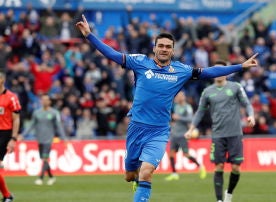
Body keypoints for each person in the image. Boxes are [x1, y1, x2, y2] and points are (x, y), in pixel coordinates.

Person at [75, 15, 258, 202]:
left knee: (146, 172)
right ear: (154, 48)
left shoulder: (181, 71)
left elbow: (209, 72)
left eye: (168, 47)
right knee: (130, 175)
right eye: (161, 46)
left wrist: (241, 66)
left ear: (173, 51)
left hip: (159, 131)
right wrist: (89, 35)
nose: (164, 49)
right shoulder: (139, 62)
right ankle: (135, 180)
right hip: (136, 128)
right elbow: (112, 54)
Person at [185, 60, 256, 202]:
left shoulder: (235, 87)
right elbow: (200, 112)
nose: (219, 73)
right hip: (218, 134)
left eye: (222, 70)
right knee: (218, 166)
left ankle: (228, 194)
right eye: (216, 70)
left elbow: (247, 104)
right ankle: (219, 200)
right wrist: (191, 128)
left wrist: (251, 115)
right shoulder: (207, 92)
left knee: (236, 167)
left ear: (227, 72)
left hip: (235, 133)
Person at [21, 94, 67, 186]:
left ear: (49, 101)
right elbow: (31, 125)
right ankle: (51, 177)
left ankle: (40, 178)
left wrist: (64, 138)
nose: (44, 101)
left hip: (49, 139)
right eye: (43, 100)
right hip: (39, 139)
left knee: (45, 158)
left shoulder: (54, 113)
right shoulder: (37, 113)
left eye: (46, 100)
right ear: (41, 101)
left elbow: (59, 126)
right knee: (43, 159)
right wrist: (23, 135)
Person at [165, 91, 206, 181]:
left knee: (186, 154)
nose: (178, 98)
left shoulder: (187, 107)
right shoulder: (176, 107)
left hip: (183, 134)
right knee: (171, 154)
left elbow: (190, 118)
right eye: (177, 96)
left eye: (179, 96)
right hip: (175, 134)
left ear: (183, 97)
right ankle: (174, 173)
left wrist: (179, 118)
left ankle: (200, 167)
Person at [0, 71, 21, 202]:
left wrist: (13, 139)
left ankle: (7, 195)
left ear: (2, 80)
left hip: (3, 134)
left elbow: (16, 119)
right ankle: (7, 196)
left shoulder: (11, 97)